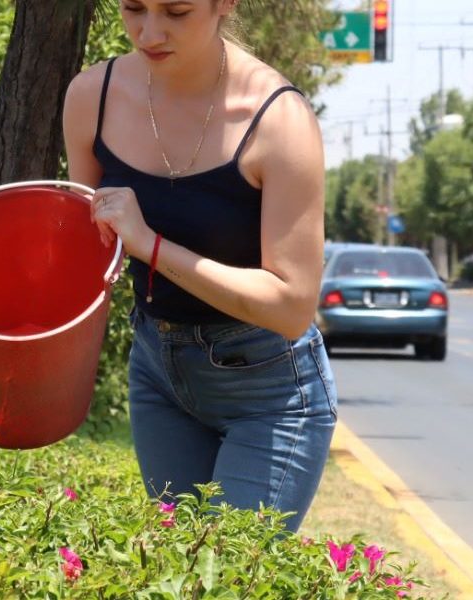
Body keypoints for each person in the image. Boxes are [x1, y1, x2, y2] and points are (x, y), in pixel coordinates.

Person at [65, 0, 335, 533]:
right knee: (173, 572)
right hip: (157, 373)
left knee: (227, 579)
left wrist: (152, 246)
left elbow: (292, 307)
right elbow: (85, 240)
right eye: (133, 9)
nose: (150, 32)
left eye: (177, 11)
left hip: (268, 390)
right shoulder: (91, 97)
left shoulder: (279, 119)